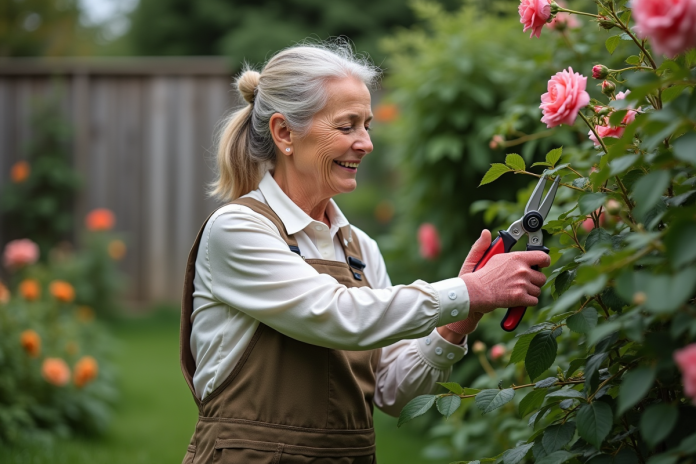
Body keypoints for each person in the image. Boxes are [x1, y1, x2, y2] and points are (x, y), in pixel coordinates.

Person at [179, 41, 550, 464]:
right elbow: (337, 314)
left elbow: (393, 390)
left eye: (367, 125)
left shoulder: (358, 248)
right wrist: (467, 290)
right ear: (285, 133)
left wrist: (457, 324)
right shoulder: (239, 230)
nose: (365, 143)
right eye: (346, 126)